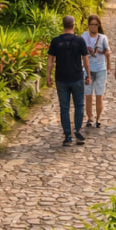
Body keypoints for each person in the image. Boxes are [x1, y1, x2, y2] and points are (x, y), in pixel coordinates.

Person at [46, 15, 90, 146]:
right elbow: (85, 60)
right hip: (77, 77)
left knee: (64, 108)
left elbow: (50, 61)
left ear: (63, 25)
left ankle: (68, 136)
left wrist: (48, 76)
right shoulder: (79, 41)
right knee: (79, 105)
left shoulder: (55, 41)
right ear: (74, 25)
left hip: (61, 79)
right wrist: (88, 74)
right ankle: (77, 129)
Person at [82, 14, 111, 129]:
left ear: (98, 25)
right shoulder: (84, 36)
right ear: (88, 25)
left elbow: (108, 50)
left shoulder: (103, 38)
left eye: (95, 24)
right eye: (91, 25)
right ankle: (89, 117)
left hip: (100, 69)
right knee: (88, 95)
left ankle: (98, 118)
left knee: (99, 95)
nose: (93, 27)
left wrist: (107, 59)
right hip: (87, 69)